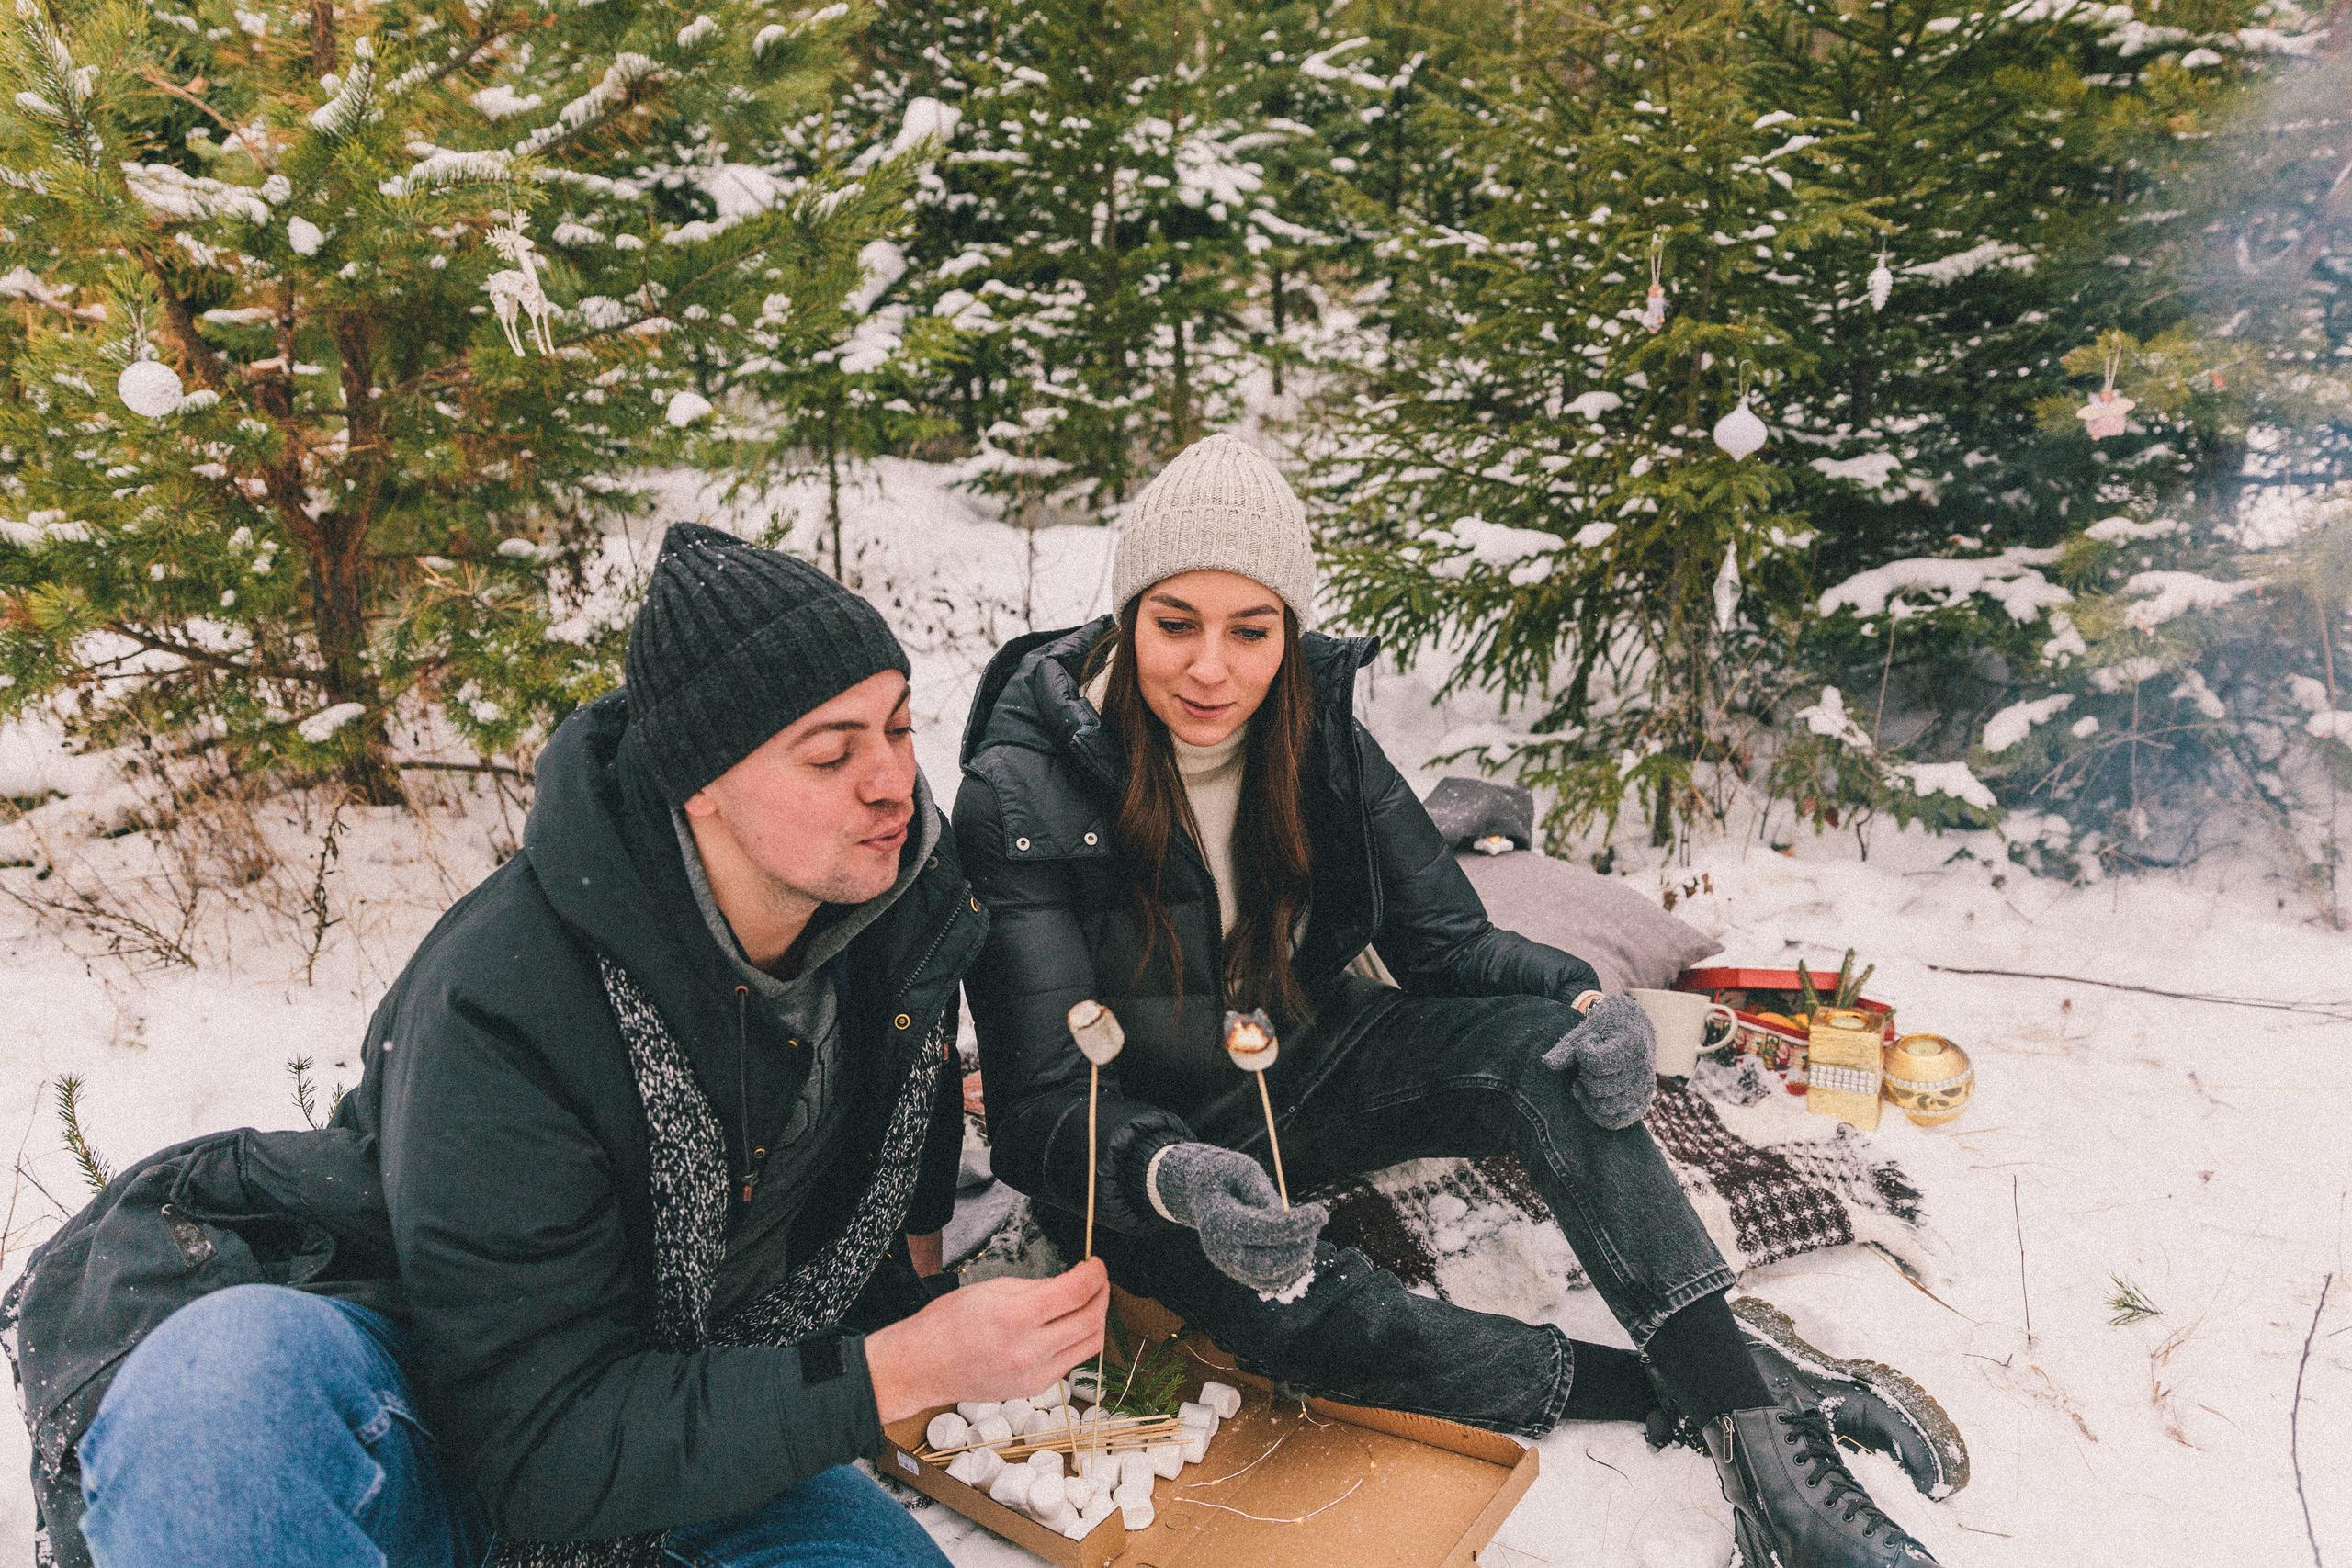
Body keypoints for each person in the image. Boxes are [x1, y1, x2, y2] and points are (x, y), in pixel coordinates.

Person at [954, 434, 1951, 1568]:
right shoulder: (1020, 790)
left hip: (1315, 1055)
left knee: (1551, 1062)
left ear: (1290, 630)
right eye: (1175, 622)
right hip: (1159, 1150)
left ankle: (1775, 1479)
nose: (1211, 669)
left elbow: (1445, 939)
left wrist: (1583, 1003)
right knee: (1315, 1324)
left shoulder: (1314, 731)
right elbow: (1036, 1103)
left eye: (1252, 629)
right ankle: (1695, 1381)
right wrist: (1171, 1177)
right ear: (1127, 617)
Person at [64, 524, 1110, 1568]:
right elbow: (535, 1443)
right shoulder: (511, 996)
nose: (890, 782)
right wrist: (889, 1372)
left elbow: (903, 1097)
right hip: (448, 1416)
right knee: (223, 1387)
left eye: (897, 728)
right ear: (699, 783)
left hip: (695, 1423)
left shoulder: (897, 908)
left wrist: (920, 1304)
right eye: (832, 754)